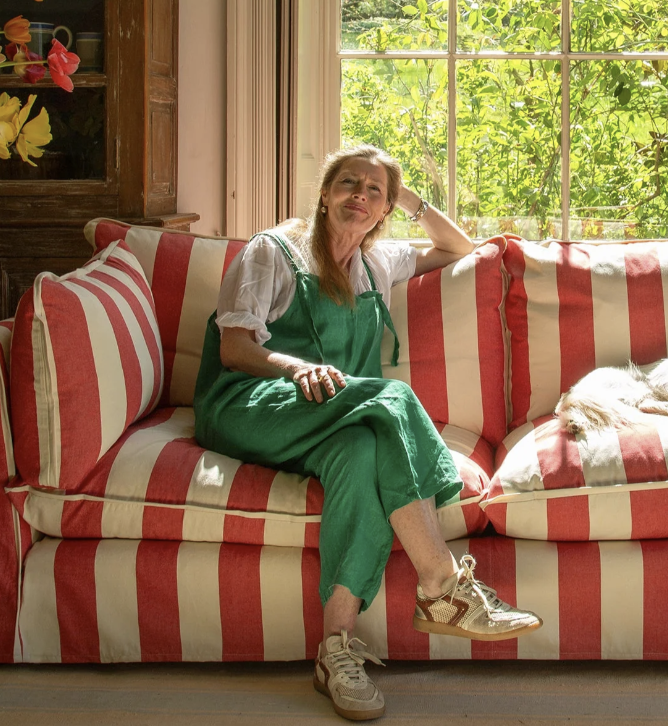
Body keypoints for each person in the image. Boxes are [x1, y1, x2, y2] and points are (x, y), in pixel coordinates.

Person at [193, 144, 541, 721]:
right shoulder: (273, 251)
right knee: (393, 397)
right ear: (324, 195)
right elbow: (234, 349)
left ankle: (335, 650)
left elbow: (462, 248)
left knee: (362, 450)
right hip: (249, 403)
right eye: (348, 183)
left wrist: (406, 197)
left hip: (333, 420)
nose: (359, 195)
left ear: (384, 210)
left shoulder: (378, 262)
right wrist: (296, 368)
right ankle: (441, 583)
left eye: (373, 190)